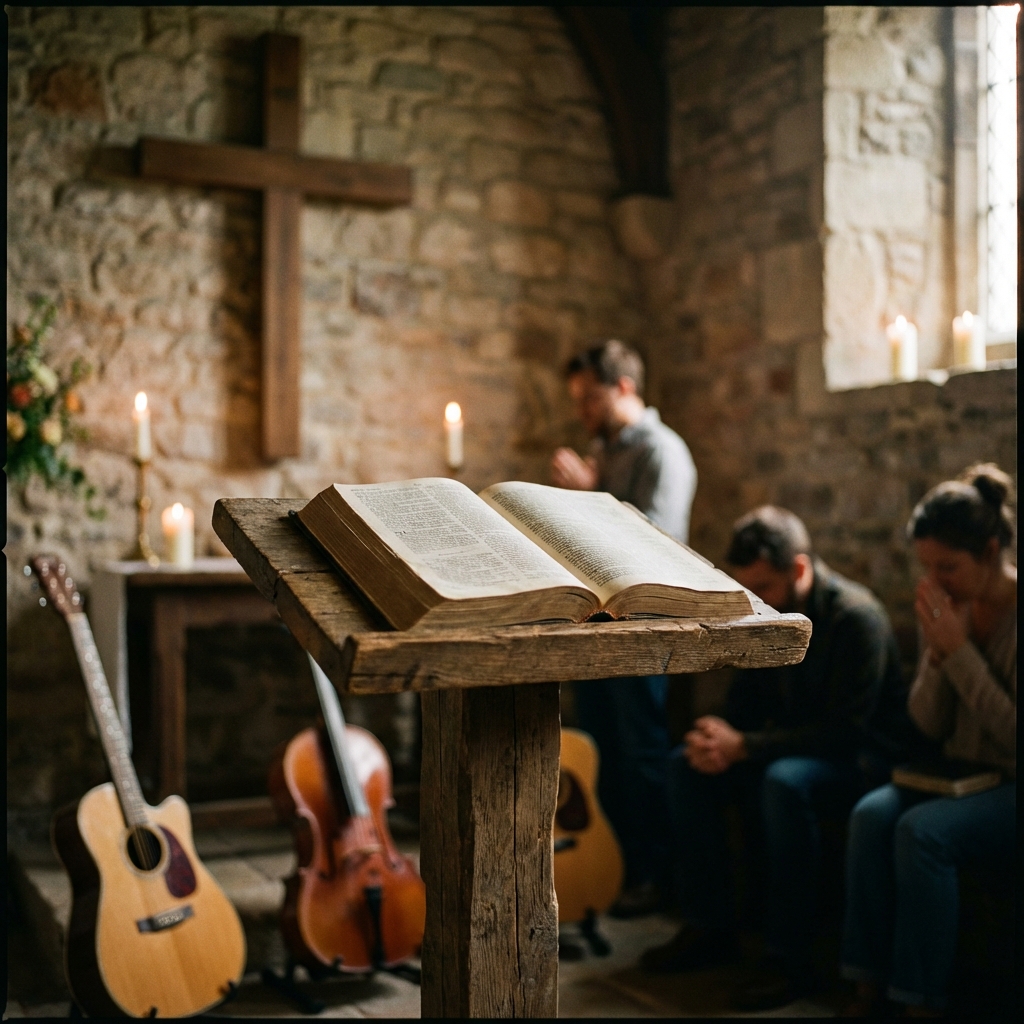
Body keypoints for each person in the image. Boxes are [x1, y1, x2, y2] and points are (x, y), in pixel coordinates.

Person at [641, 505, 922, 1011]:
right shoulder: (764, 610)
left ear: (798, 569)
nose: (756, 600)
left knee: (785, 783)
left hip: (858, 763)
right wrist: (717, 738)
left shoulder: (857, 619)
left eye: (764, 586)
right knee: (685, 765)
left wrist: (745, 745)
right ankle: (710, 927)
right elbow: (743, 704)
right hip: (785, 751)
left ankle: (789, 959)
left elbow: (845, 733)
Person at [840, 464, 1016, 1017]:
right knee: (871, 814)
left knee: (922, 832)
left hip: (1009, 783)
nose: (937, 581)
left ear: (990, 552)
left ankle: (919, 1001)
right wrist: (939, 655)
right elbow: (926, 723)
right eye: (927, 568)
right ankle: (866, 985)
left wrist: (960, 653)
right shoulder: (946, 607)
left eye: (949, 567)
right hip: (957, 774)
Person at [552, 339, 697, 917]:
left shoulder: (663, 452)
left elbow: (654, 540)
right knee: (601, 750)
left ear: (626, 389)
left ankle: (654, 875)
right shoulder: (606, 448)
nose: (584, 412)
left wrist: (588, 495)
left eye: (591, 399)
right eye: (579, 401)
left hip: (644, 623)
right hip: (599, 620)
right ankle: (610, 864)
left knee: (640, 752)